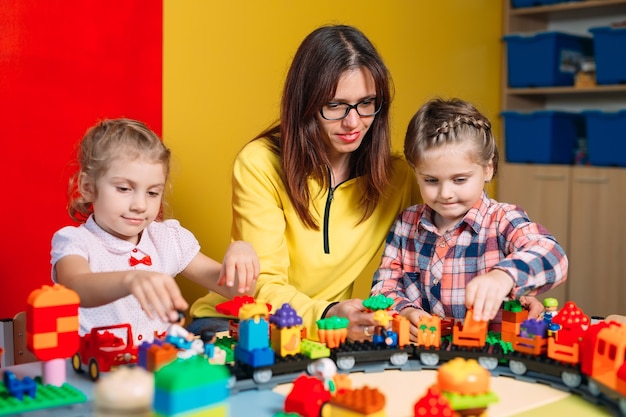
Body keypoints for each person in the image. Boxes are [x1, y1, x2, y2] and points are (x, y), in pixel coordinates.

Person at [188, 25, 420, 340]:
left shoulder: (398, 177)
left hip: (325, 334)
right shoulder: (260, 163)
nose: (353, 122)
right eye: (335, 105)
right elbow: (263, 286)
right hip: (238, 324)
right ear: (306, 104)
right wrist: (327, 315)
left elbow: (443, 242)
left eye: (366, 103)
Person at [370, 98, 568, 339]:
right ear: (416, 172)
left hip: (489, 357)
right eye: (431, 180)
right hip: (424, 355)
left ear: (488, 169)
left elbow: (553, 255)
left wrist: (504, 276)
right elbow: (383, 288)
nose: (445, 193)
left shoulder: (502, 219)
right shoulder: (406, 224)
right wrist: (405, 310)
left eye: (459, 179)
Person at [51, 118, 260, 343]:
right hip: (100, 371)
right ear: (88, 187)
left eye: (152, 193)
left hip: (158, 368)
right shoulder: (75, 241)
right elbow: (76, 288)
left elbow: (238, 292)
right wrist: (130, 279)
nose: (140, 205)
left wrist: (241, 254)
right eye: (124, 189)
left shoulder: (168, 239)